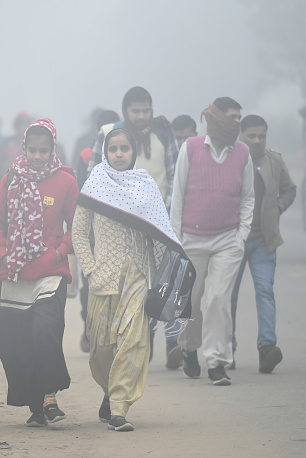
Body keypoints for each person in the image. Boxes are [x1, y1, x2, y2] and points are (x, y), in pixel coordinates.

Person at [73, 128, 186, 431]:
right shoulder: (94, 184)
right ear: (105, 153)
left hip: (138, 278)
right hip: (102, 279)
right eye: (113, 149)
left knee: (134, 343)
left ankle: (120, 407)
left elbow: (160, 231)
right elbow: (79, 234)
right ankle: (109, 392)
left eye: (125, 148)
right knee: (102, 349)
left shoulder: (145, 186)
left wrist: (159, 275)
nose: (119, 154)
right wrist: (90, 268)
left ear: (133, 152)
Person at [0, 118, 78, 427]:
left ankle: (50, 396)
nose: (37, 156)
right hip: (14, 274)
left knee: (45, 332)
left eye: (44, 150)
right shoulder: (10, 179)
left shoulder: (66, 181)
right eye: (33, 150)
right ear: (24, 148)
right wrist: (3, 253)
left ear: (53, 148)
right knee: (17, 344)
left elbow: (76, 226)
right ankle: (37, 408)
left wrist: (59, 252)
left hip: (50, 273)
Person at [87, 87, 181, 367]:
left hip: (158, 223)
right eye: (136, 111)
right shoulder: (108, 133)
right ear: (125, 111)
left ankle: (171, 341)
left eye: (146, 110)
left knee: (164, 283)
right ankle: (140, 340)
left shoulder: (164, 132)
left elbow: (175, 174)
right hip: (117, 225)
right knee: (130, 290)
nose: (141, 116)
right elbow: (93, 174)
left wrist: (165, 214)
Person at [171, 97, 254, 385]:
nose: (237, 122)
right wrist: (176, 238)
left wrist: (241, 235)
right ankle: (189, 347)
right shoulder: (191, 148)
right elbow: (178, 194)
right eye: (232, 116)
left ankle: (217, 362)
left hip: (227, 240)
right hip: (192, 239)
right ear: (216, 117)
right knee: (191, 302)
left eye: (239, 117)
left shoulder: (243, 153)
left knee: (218, 299)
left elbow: (248, 198)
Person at [231, 115, 296, 373]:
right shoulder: (230, 160)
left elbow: (289, 190)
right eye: (252, 136)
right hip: (233, 239)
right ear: (241, 135)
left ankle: (267, 348)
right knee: (227, 297)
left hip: (263, 241)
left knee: (265, 293)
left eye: (261, 136)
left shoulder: (274, 161)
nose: (257, 141)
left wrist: (274, 210)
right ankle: (226, 350)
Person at [74, 109, 120, 353]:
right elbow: (79, 188)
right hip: (91, 228)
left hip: (114, 229)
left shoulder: (126, 153)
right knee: (91, 279)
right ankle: (89, 326)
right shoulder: (85, 153)